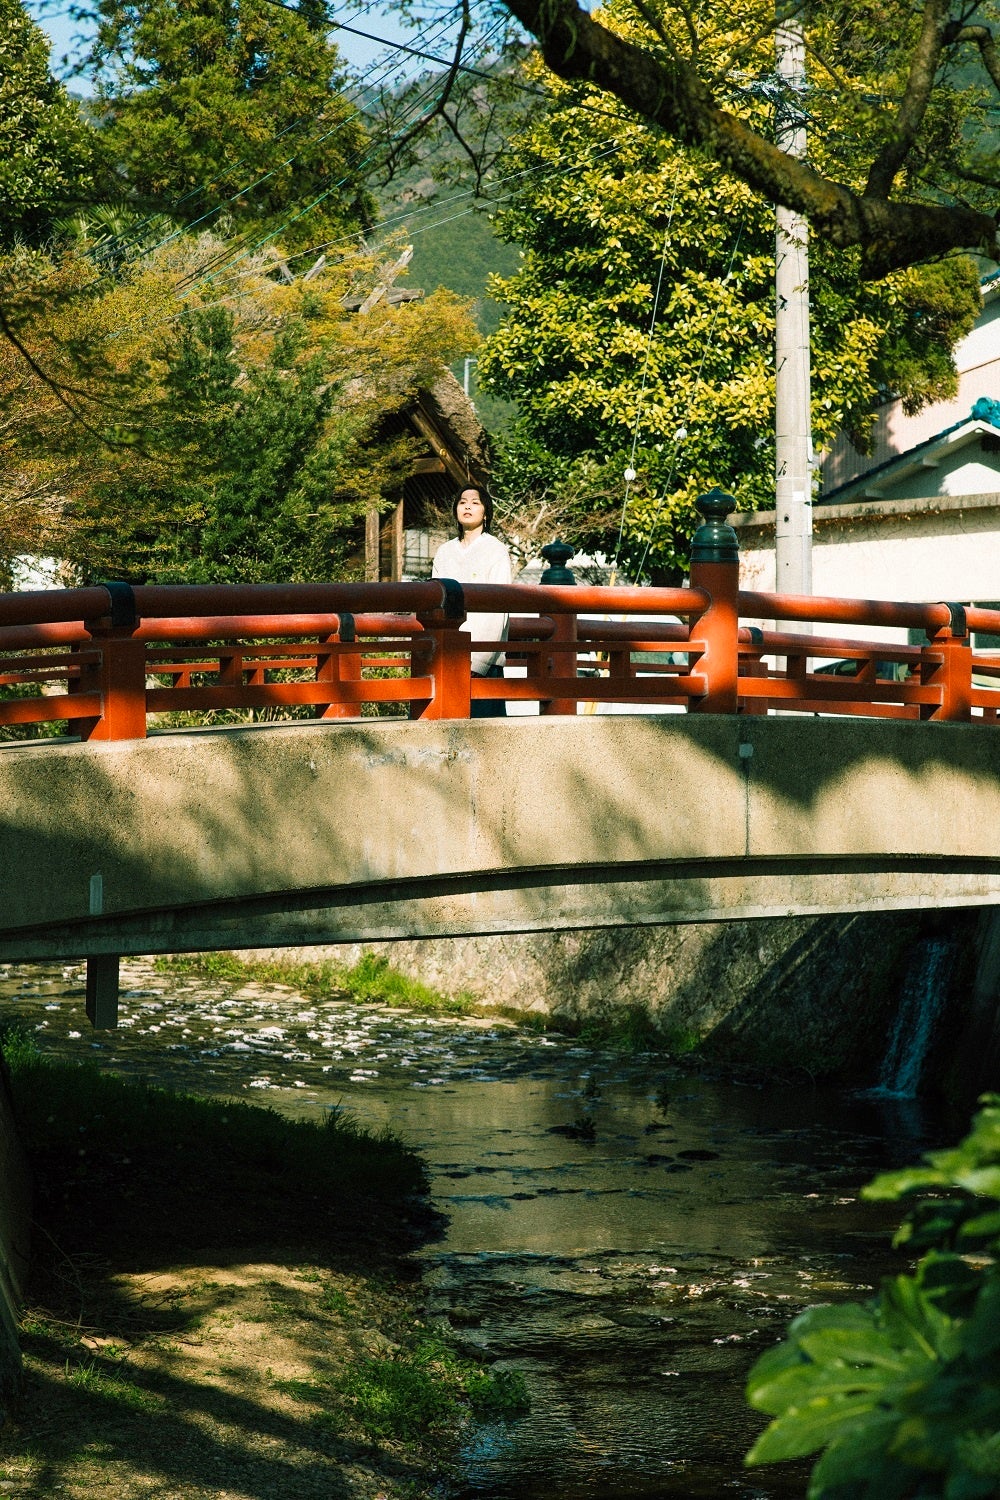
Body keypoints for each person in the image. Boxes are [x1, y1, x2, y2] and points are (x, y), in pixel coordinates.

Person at [432, 487, 512, 718]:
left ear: (486, 513)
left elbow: (498, 609)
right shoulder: (444, 551)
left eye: (475, 502)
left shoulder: (495, 550)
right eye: (462, 502)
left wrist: (479, 661)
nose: (467, 506)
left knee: (485, 734)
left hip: (483, 657)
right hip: (447, 652)